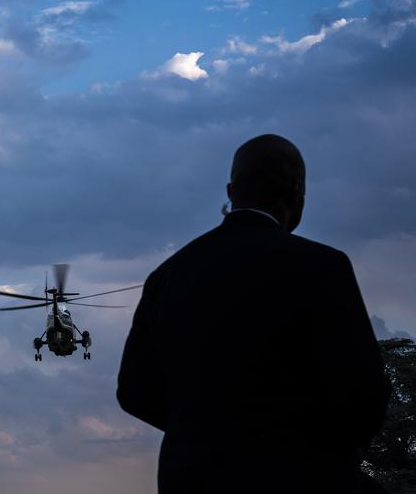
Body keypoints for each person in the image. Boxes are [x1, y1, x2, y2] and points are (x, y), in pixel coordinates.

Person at [117, 134, 390, 494]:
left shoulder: (167, 276)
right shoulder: (324, 267)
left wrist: (203, 432)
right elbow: (365, 392)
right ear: (297, 191)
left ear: (231, 190)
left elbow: (134, 393)